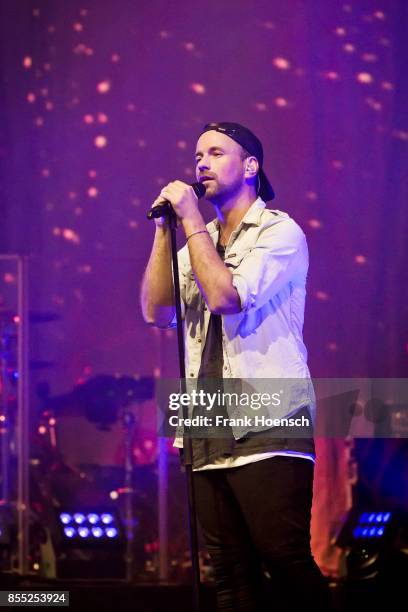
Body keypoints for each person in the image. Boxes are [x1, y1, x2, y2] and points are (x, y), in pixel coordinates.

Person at [141, 122, 334, 611]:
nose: (200, 163)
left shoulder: (279, 231)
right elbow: (157, 312)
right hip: (205, 421)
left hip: (268, 419)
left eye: (214, 152)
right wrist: (166, 231)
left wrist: (190, 220)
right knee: (228, 571)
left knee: (282, 556)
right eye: (196, 154)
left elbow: (228, 297)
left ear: (250, 166)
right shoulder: (195, 243)